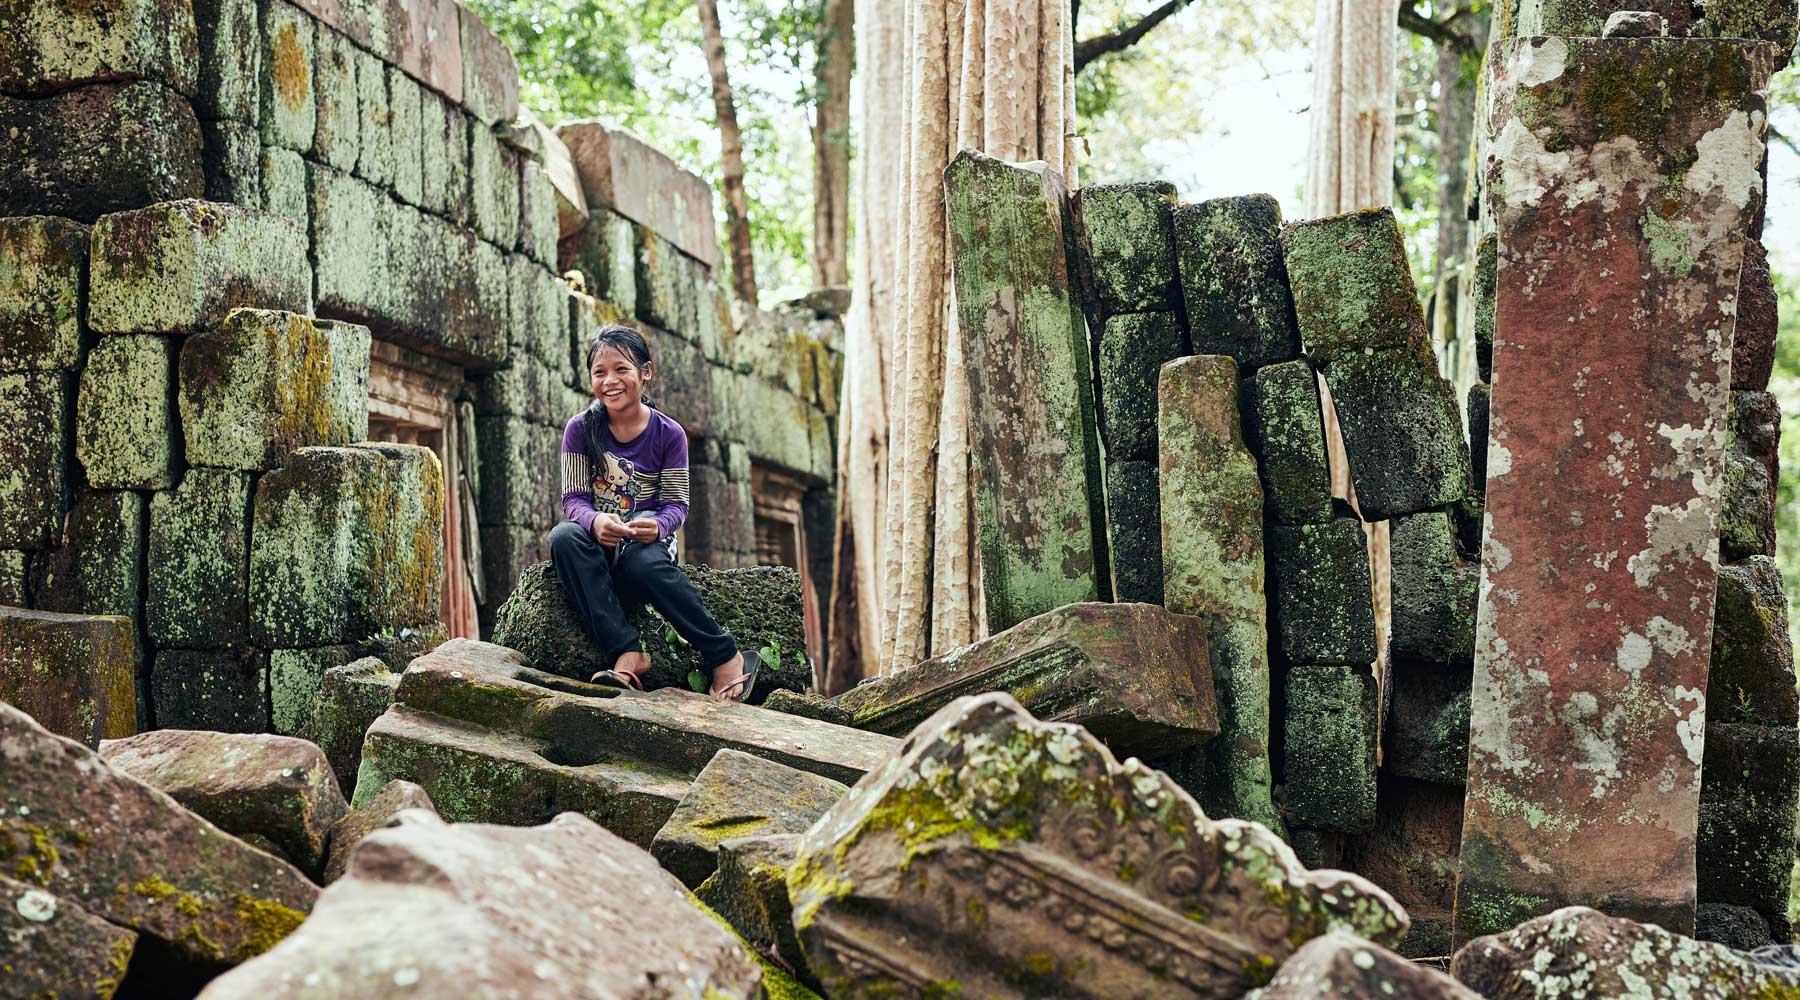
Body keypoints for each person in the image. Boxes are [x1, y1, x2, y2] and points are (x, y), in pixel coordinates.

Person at [548, 324, 760, 701]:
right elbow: (573, 500)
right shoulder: (579, 429)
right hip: (597, 543)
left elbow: (677, 505)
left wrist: (657, 527)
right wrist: (596, 521)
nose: (610, 381)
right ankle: (627, 651)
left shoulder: (669, 434)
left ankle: (725, 655)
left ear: (645, 372)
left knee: (642, 564)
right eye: (600, 372)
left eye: (621, 369)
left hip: (646, 547)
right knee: (563, 536)